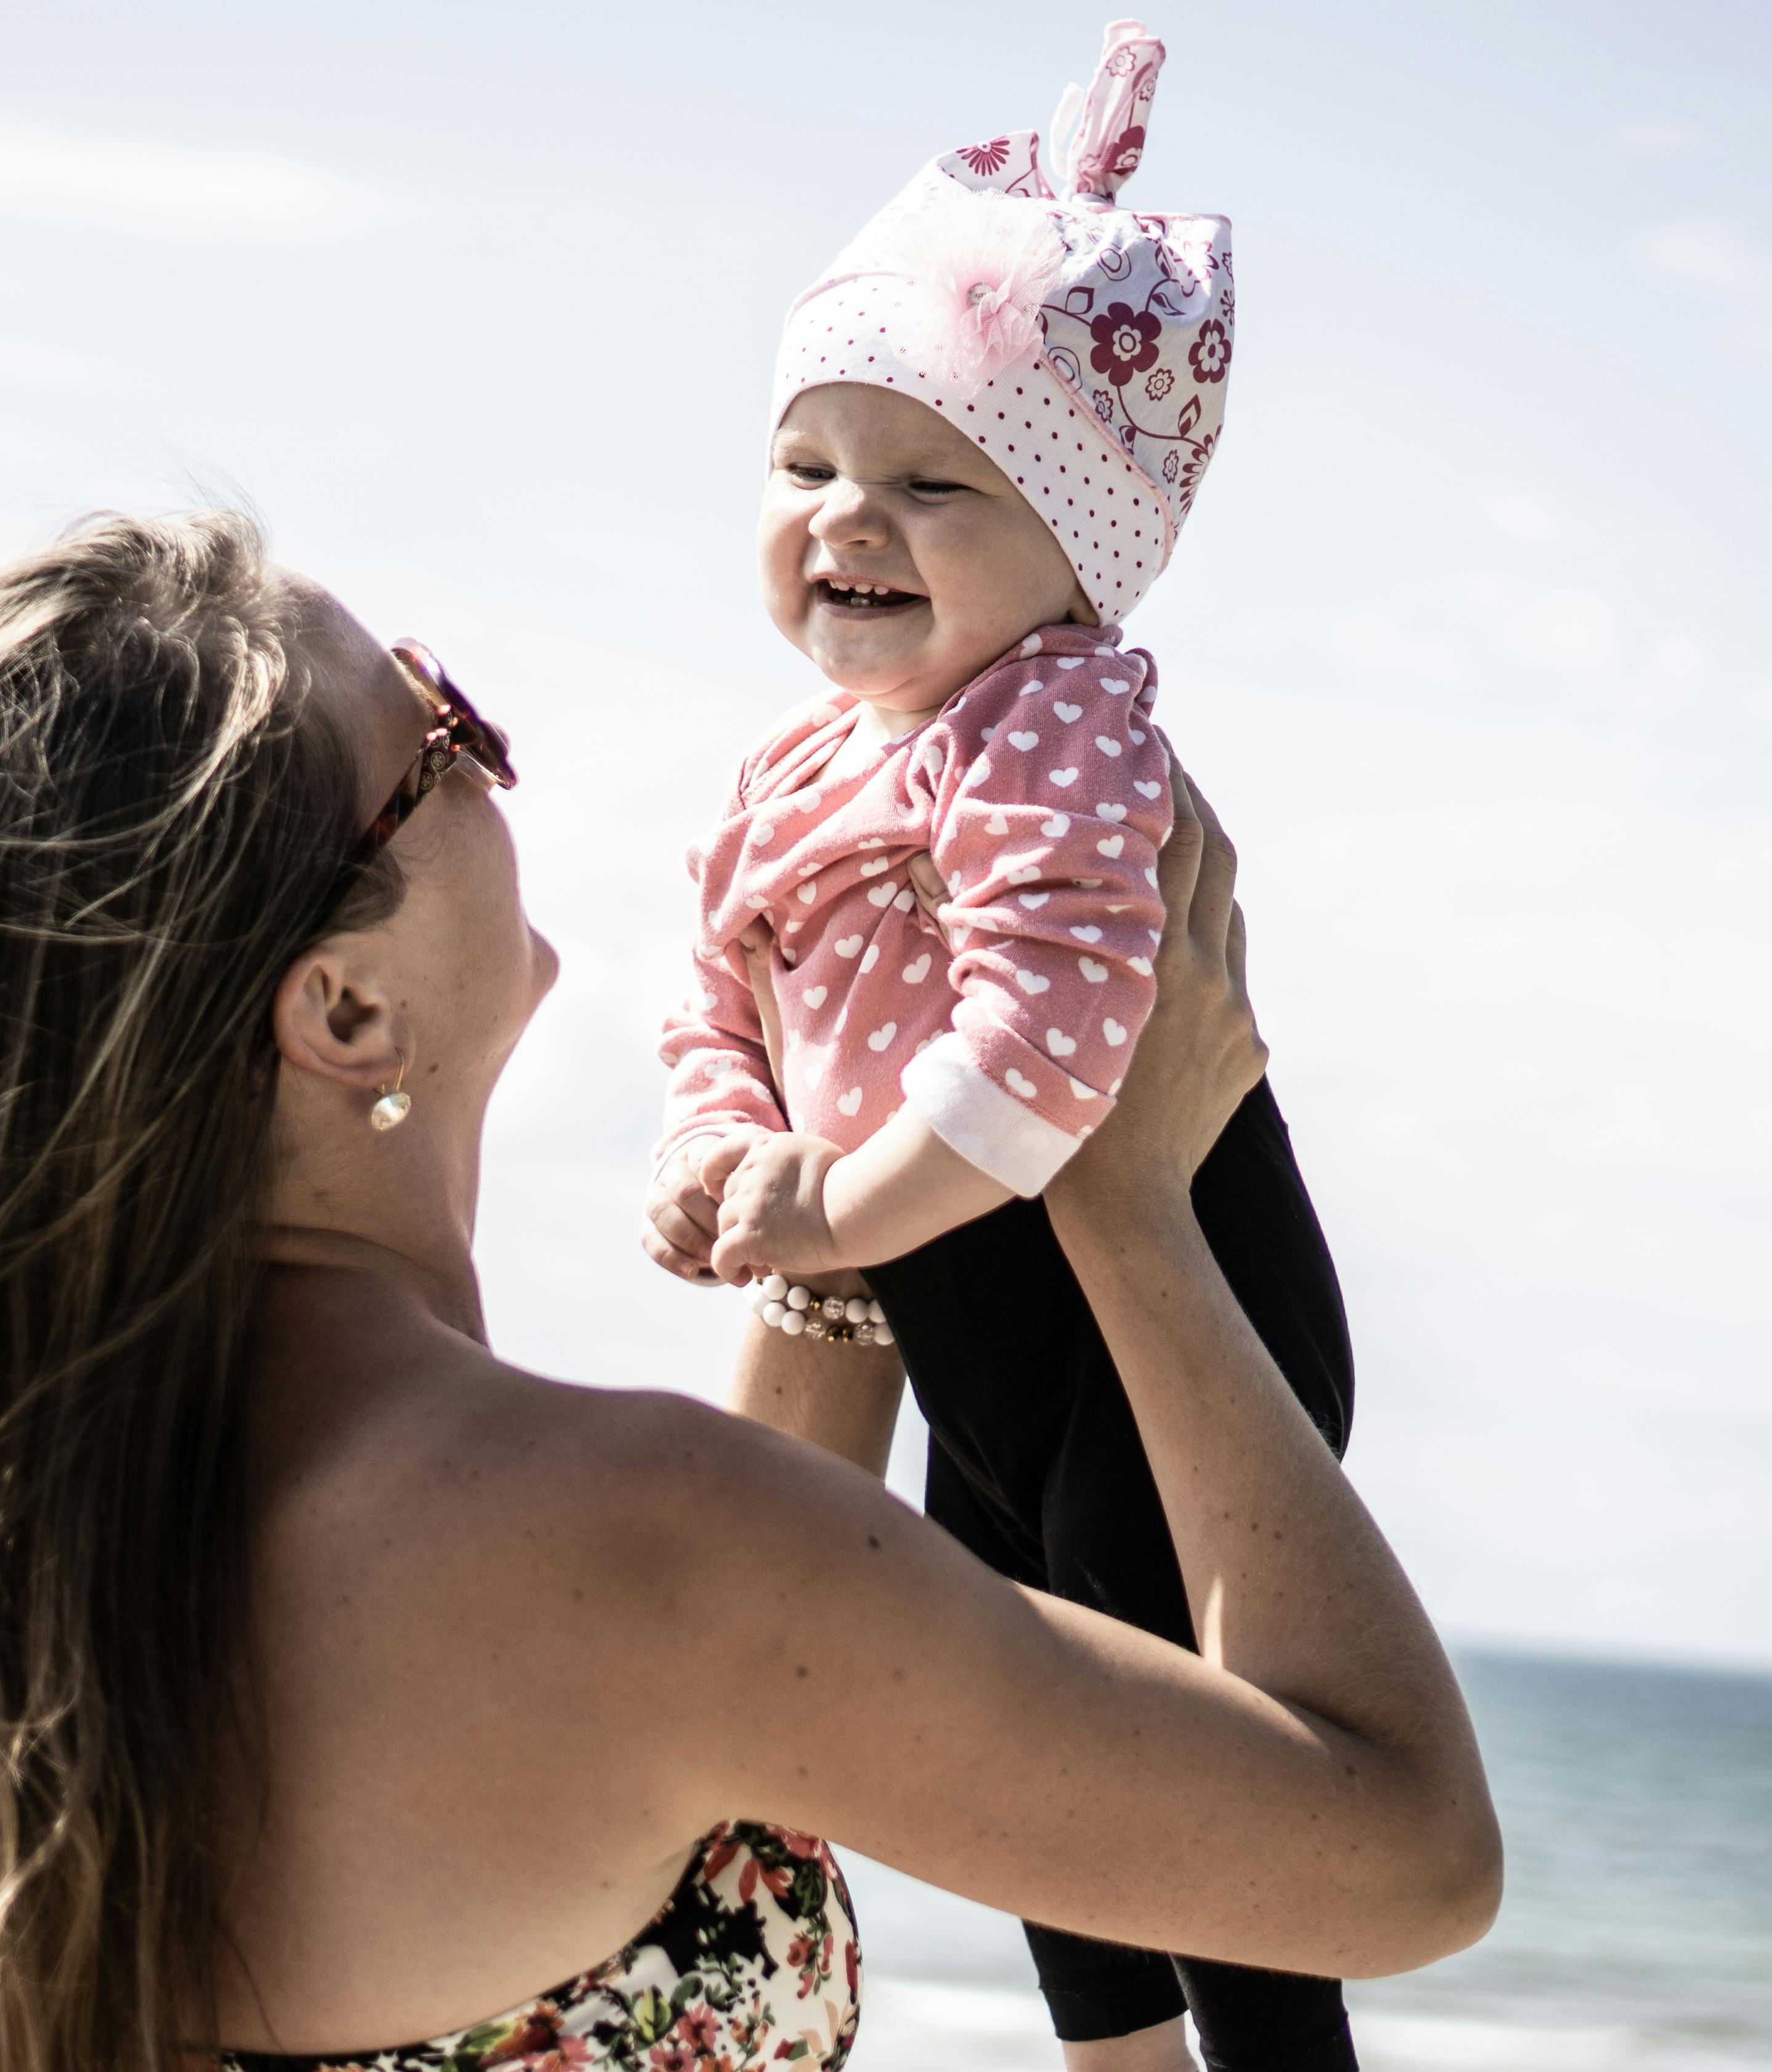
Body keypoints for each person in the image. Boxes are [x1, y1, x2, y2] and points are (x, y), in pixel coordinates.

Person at [0, 510, 1494, 2072]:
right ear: (345, 1006)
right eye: (438, 734)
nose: (496, 764)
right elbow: (1400, 1856)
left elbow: (731, 1635)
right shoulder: (645, 1553)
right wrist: (1127, 1193)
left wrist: (872, 1136)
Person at [638, 24, 1367, 2068]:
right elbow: (718, 997)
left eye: (931, 481)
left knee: (1188, 1746)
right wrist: (724, 1153)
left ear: (1080, 551)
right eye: (806, 468)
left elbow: (1054, 1042)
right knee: (1030, 1713)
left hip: (1174, 1308)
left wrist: (833, 1212)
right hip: (977, 1318)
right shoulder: (791, 771)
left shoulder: (1056, 723)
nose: (847, 518)